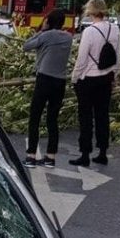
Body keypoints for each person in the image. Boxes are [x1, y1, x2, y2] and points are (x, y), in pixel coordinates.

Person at [70, 0, 120, 167]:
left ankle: (85, 154)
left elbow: (82, 59)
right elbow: (118, 56)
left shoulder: (89, 32)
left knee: (85, 117)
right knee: (102, 115)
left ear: (90, 11)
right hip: (106, 78)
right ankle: (102, 152)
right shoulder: (114, 29)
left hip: (88, 80)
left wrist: (75, 78)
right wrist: (115, 75)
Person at [21, 9, 73, 168]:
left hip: (44, 79)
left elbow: (26, 46)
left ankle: (31, 156)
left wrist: (41, 31)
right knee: (52, 119)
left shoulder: (46, 35)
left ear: (48, 21)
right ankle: (50, 157)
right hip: (60, 81)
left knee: (35, 117)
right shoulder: (69, 38)